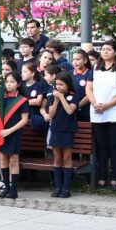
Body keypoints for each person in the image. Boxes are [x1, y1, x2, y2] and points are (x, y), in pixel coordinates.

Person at [86, 40, 116, 191]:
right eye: (103, 49)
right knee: (101, 146)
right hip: (98, 112)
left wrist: (108, 105)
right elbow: (89, 89)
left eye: (109, 49)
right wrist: (94, 103)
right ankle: (101, 176)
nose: (105, 52)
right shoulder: (95, 68)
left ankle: (115, 177)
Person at [0, 71, 29, 199]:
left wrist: (9, 130)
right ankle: (6, 186)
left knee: (13, 159)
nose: (9, 84)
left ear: (18, 84)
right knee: (3, 158)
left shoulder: (21, 100)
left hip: (14, 133)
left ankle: (14, 189)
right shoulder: (1, 98)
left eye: (12, 82)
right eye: (7, 81)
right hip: (1, 132)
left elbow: (24, 120)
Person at [46, 70, 78, 198]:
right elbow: (51, 115)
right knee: (57, 158)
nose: (58, 87)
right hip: (56, 129)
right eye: (57, 84)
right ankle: (57, 187)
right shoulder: (52, 97)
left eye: (61, 85)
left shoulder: (73, 96)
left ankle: (66, 188)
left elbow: (70, 111)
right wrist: (56, 101)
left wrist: (61, 98)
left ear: (68, 85)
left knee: (67, 158)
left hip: (67, 130)